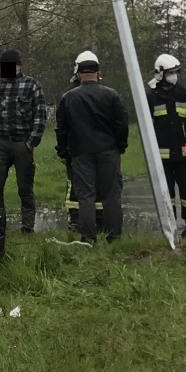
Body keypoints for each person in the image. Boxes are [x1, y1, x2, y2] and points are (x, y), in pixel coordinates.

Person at [55, 51, 128, 244]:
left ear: (78, 74)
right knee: (111, 196)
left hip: (81, 153)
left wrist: (63, 152)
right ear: (98, 73)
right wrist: (120, 146)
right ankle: (114, 237)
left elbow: (61, 129)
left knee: (85, 196)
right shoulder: (111, 95)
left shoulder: (68, 98)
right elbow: (121, 124)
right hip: (109, 151)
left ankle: (88, 238)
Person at [0, 48, 47, 235]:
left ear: (19, 66)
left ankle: (27, 228)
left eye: (11, 66)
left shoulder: (32, 85)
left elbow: (40, 116)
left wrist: (31, 142)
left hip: (22, 143)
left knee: (25, 187)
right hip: (1, 142)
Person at [147, 53, 186, 238]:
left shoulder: (185, 95)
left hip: (184, 153)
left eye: (176, 72)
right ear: (160, 73)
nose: (174, 76)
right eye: (170, 72)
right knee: (166, 191)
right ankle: (170, 223)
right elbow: (146, 127)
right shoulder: (151, 97)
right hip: (162, 156)